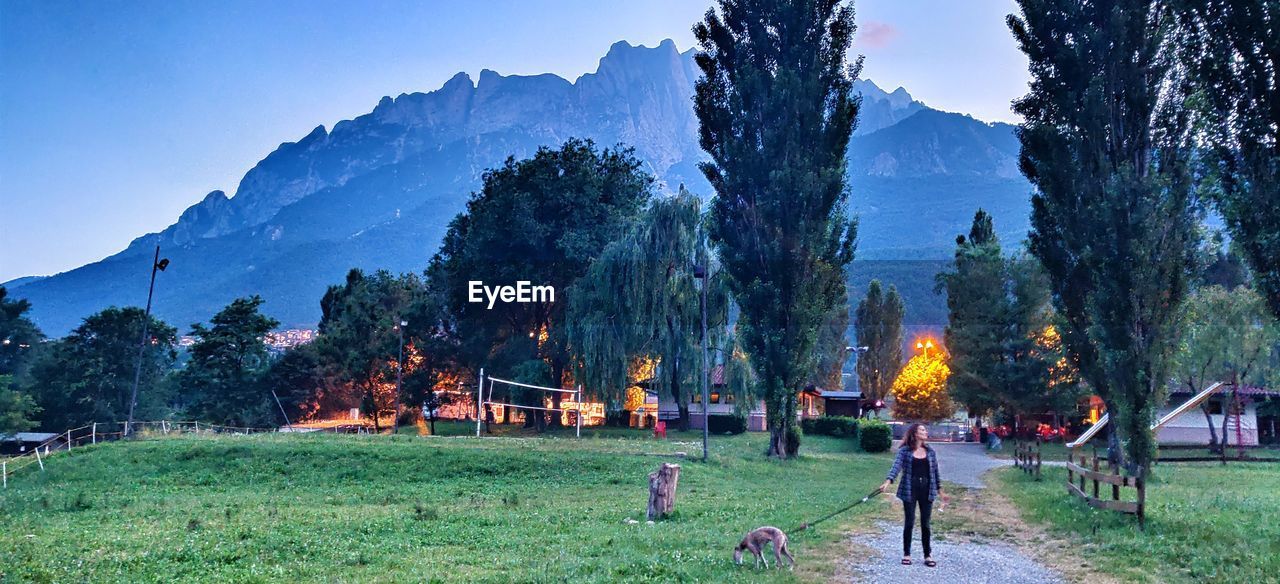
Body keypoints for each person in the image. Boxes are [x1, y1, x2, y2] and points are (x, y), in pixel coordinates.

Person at [879, 423, 948, 567]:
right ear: (915, 433)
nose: (925, 431)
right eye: (922, 430)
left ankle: (928, 555)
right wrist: (887, 482)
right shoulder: (904, 451)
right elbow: (896, 467)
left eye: (925, 429)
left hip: (927, 489)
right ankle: (907, 554)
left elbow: (935, 472)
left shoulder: (930, 452)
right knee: (909, 522)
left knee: (926, 524)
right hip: (910, 488)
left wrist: (941, 492)